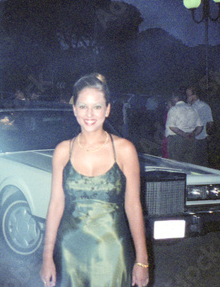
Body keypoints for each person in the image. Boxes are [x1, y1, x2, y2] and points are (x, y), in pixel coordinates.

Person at [40, 74, 149, 287]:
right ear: (74, 109)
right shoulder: (63, 151)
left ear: (107, 109)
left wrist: (142, 260)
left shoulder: (125, 150)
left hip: (113, 253)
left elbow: (134, 206)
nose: (89, 114)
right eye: (83, 106)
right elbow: (55, 205)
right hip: (69, 252)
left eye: (97, 107)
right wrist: (46, 256)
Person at [164, 89, 203, 164]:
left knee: (176, 164)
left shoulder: (174, 109)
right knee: (188, 164)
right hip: (191, 139)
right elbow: (200, 126)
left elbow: (172, 126)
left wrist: (183, 134)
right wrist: (194, 134)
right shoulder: (193, 109)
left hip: (176, 139)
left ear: (176, 98)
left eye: (173, 97)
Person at [186, 86, 213, 166]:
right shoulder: (187, 106)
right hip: (189, 137)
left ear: (195, 95)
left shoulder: (204, 106)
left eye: (189, 94)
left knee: (200, 161)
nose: (187, 96)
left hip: (200, 138)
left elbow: (210, 122)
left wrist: (208, 134)